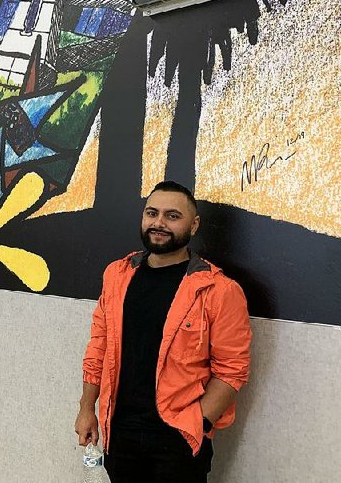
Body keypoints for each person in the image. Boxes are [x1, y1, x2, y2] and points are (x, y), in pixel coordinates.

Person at [75, 181, 251, 482]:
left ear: (193, 225)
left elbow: (232, 370)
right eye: (152, 213)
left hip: (177, 439)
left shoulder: (219, 290)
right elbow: (99, 346)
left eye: (172, 216)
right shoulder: (117, 275)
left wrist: (197, 422)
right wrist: (86, 407)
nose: (159, 223)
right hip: (120, 431)